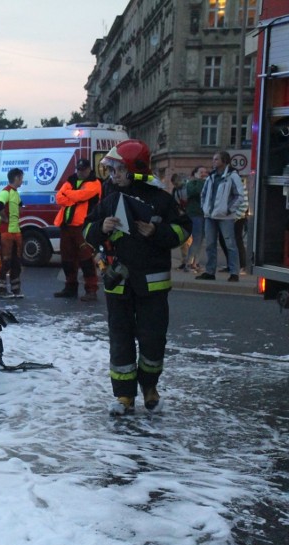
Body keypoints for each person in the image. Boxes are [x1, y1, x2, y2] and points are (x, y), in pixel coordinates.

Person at [83, 139, 191, 415]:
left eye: (117, 169)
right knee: (120, 341)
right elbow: (86, 232)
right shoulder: (108, 200)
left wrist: (157, 233)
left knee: (153, 340)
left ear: (133, 170)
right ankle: (124, 397)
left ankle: (150, 390)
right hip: (118, 284)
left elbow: (183, 230)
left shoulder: (161, 200)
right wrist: (100, 227)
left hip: (152, 286)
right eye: (111, 169)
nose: (112, 175)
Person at [53, 158, 102, 301]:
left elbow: (83, 195)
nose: (80, 172)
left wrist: (69, 194)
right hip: (67, 226)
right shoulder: (71, 180)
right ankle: (70, 287)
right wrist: (74, 196)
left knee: (86, 259)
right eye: (79, 169)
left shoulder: (95, 183)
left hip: (83, 227)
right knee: (67, 259)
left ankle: (91, 290)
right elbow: (59, 198)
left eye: (83, 169)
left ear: (89, 169)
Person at [195, 151, 244, 282]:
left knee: (230, 244)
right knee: (210, 244)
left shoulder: (232, 176)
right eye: (213, 159)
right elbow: (203, 194)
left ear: (224, 161)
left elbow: (239, 195)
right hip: (210, 215)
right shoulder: (211, 177)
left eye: (216, 159)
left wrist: (228, 209)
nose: (213, 161)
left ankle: (234, 272)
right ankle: (210, 272)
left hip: (225, 216)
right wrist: (204, 207)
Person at [0, 167, 24, 299]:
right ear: (16, 178)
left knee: (16, 262)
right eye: (21, 178)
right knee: (6, 262)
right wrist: (5, 218)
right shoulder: (5, 192)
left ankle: (15, 289)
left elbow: (20, 205)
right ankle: (1, 290)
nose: (22, 181)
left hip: (15, 232)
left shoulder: (15, 193)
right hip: (5, 233)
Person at [183, 166, 209, 272]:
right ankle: (188, 263)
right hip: (195, 214)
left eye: (205, 172)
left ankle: (195, 263)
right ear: (195, 174)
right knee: (196, 239)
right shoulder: (191, 184)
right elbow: (197, 191)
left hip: (204, 214)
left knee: (200, 240)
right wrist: (199, 180)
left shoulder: (206, 183)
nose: (204, 173)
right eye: (201, 172)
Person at [169, 173, 192, 271]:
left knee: (189, 242)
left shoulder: (188, 187)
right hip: (183, 216)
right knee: (184, 242)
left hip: (192, 215)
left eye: (176, 183)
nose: (175, 185)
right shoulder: (176, 190)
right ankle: (185, 261)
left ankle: (189, 262)